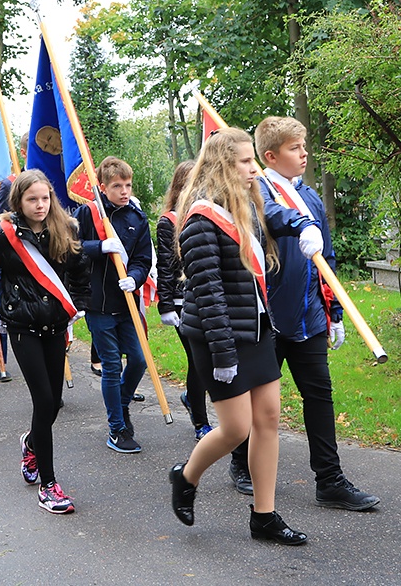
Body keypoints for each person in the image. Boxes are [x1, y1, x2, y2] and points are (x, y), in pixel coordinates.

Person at [225, 116, 378, 511]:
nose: (304, 153)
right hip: (268, 318)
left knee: (319, 395)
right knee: (255, 403)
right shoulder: (256, 191)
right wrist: (297, 223)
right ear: (271, 156)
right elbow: (271, 218)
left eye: (304, 145)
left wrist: (335, 311)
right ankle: (241, 463)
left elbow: (324, 259)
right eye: (295, 148)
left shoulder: (309, 196)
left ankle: (329, 480)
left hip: (309, 316)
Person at [169, 128, 307, 545]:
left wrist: (303, 224)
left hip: (256, 328)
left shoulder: (245, 205)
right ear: (223, 166)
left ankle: (263, 516)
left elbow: (276, 221)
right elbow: (208, 294)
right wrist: (225, 355)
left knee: (267, 420)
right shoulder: (199, 219)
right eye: (246, 161)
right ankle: (186, 477)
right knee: (235, 429)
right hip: (217, 336)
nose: (254, 168)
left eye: (253, 160)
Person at [0, 169, 90, 513]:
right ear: (18, 202)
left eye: (44, 198)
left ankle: (31, 444)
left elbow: (81, 270)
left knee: (53, 403)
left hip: (55, 325)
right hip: (22, 327)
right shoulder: (3, 235)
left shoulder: (64, 228)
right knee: (43, 401)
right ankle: (49, 485)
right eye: (31, 199)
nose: (40, 205)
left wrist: (77, 305)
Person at [73, 156, 151, 453]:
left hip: (127, 302)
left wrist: (135, 277)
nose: (124, 191)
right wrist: (99, 247)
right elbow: (69, 248)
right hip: (98, 303)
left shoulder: (137, 218)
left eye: (128, 185)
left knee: (139, 360)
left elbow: (144, 258)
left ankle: (120, 403)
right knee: (110, 365)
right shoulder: (87, 214)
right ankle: (117, 428)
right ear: (103, 187)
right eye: (117, 186)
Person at [156, 160, 213, 440]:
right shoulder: (169, 221)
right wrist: (166, 303)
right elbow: (166, 266)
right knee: (197, 361)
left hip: (207, 297)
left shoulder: (208, 214)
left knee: (208, 360)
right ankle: (200, 421)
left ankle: (192, 399)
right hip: (182, 301)